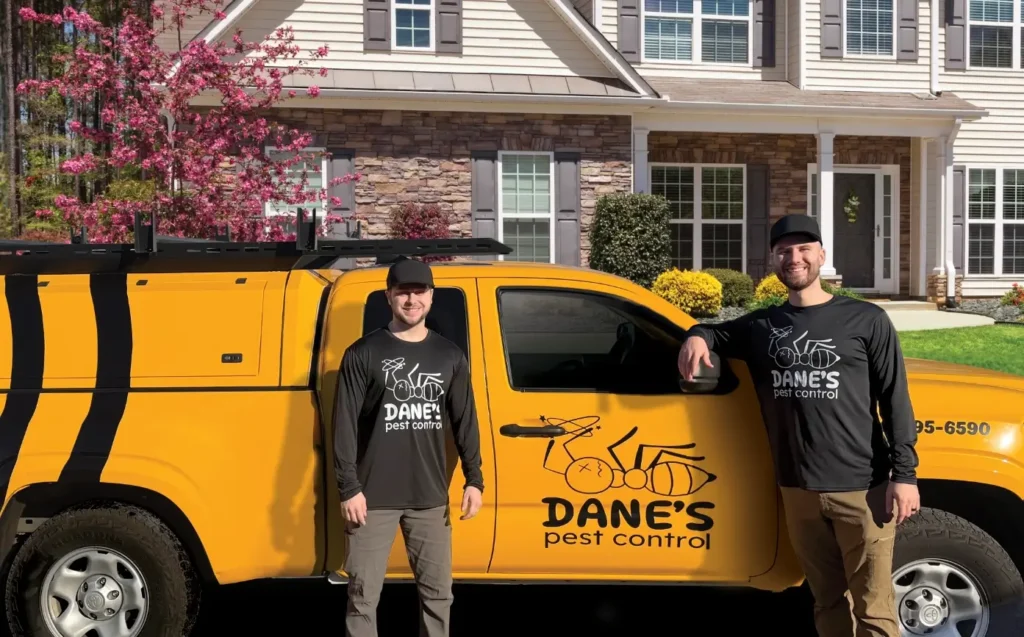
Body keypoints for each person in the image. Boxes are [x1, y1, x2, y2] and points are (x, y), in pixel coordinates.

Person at [678, 214, 920, 637]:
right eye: (785, 250)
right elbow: (713, 333)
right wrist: (697, 335)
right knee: (827, 602)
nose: (795, 258)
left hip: (864, 489)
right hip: (798, 492)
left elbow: (895, 401)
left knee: (874, 611)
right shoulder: (761, 326)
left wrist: (905, 475)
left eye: (805, 248)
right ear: (773, 259)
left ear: (822, 255)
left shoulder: (866, 320)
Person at [333, 256, 485, 637]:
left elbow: (465, 420)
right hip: (371, 498)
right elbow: (344, 425)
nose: (412, 300)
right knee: (363, 596)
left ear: (431, 297)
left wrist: (474, 479)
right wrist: (349, 487)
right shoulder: (362, 354)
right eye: (404, 292)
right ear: (390, 296)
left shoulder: (449, 355)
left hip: (430, 497)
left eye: (420, 292)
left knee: (438, 596)